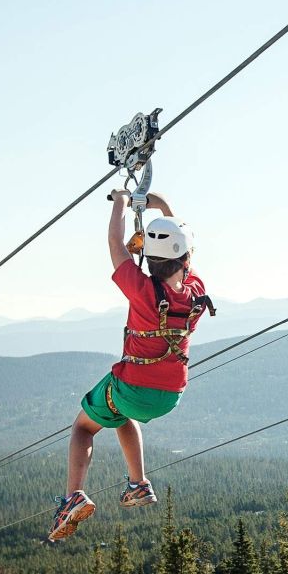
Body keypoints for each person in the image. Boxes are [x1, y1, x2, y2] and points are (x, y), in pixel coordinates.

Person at [48, 188, 213, 542]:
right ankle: (138, 483)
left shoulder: (142, 290)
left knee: (83, 426)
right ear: (185, 258)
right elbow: (182, 249)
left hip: (133, 387)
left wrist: (121, 204)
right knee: (121, 413)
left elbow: (115, 245)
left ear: (150, 259)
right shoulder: (197, 292)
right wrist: (163, 204)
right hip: (170, 394)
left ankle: (72, 496)